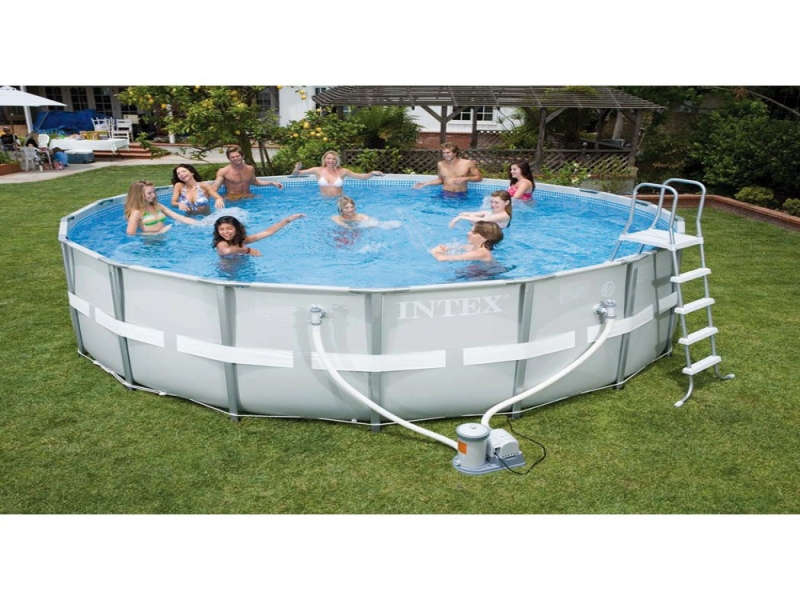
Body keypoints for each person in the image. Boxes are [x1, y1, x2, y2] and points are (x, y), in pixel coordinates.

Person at [124, 180, 202, 235]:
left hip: (165, 238)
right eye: (149, 193)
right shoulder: (137, 212)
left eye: (154, 192)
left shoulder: (158, 206)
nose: (153, 195)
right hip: (150, 244)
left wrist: (201, 223)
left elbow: (180, 218)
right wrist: (158, 233)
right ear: (139, 195)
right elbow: (131, 234)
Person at [291, 150, 383, 197]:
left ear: (337, 160)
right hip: (324, 200)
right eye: (328, 158)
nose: (331, 161)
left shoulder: (343, 171)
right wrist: (297, 168)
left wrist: (371, 173)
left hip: (339, 199)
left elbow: (361, 177)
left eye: (333, 159)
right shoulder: (317, 170)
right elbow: (295, 174)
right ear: (324, 159)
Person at [213, 213, 305, 257]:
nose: (225, 232)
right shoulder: (221, 243)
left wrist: (288, 220)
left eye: (229, 228)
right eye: (221, 229)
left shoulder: (242, 240)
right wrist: (248, 250)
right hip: (227, 273)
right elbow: (227, 251)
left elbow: (268, 232)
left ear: (236, 229)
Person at [211, 145, 283, 200]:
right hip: (232, 199)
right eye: (232, 157)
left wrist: (271, 183)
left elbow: (255, 182)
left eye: (237, 156)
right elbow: (214, 188)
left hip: (248, 197)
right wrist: (218, 198)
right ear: (228, 158)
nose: (236, 159)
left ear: (242, 156)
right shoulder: (224, 171)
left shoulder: (250, 169)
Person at [412, 142, 482, 197]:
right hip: (445, 194)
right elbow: (441, 180)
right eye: (444, 153)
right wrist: (425, 184)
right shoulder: (440, 164)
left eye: (448, 152)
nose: (445, 155)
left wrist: (465, 178)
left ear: (455, 153)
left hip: (461, 194)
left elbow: (479, 178)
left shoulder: (467, 163)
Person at [430, 220, 503, 263]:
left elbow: (442, 259)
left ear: (486, 237)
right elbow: (456, 247)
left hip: (485, 278)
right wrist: (445, 248)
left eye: (474, 233)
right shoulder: (472, 247)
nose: (468, 233)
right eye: (470, 231)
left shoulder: (481, 253)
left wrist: (434, 252)